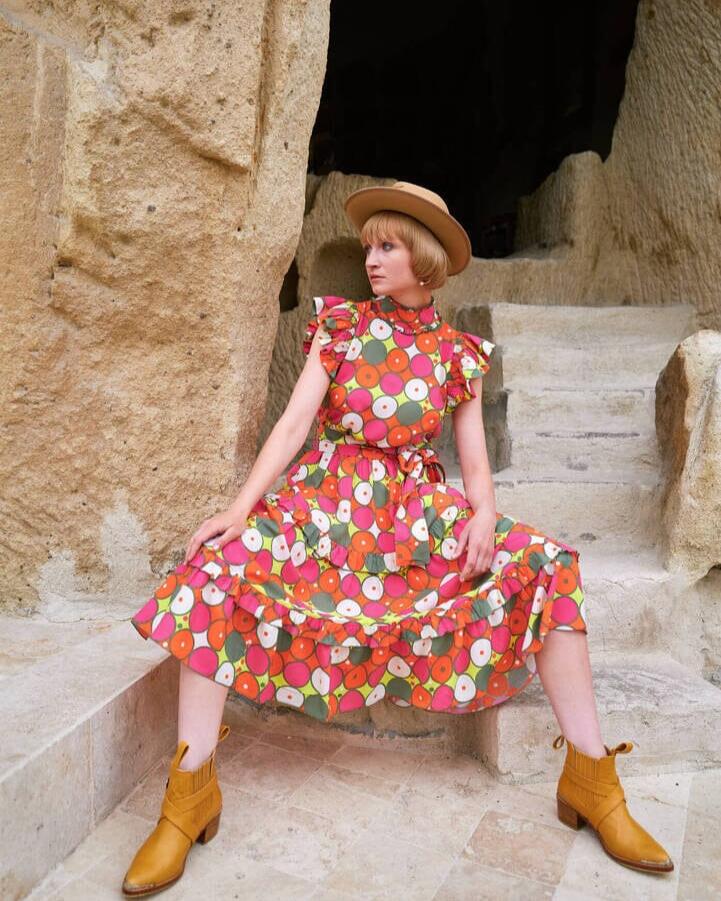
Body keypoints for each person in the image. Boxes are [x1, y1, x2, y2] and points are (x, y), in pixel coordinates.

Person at [122, 181, 673, 895]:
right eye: (369, 246)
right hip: (326, 502)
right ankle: (189, 795)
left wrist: (483, 514)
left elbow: (474, 458)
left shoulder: (456, 354)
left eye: (387, 246)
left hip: (413, 513)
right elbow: (292, 425)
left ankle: (592, 781)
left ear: (424, 257)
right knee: (217, 566)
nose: (372, 260)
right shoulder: (341, 325)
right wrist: (239, 509)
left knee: (547, 564)